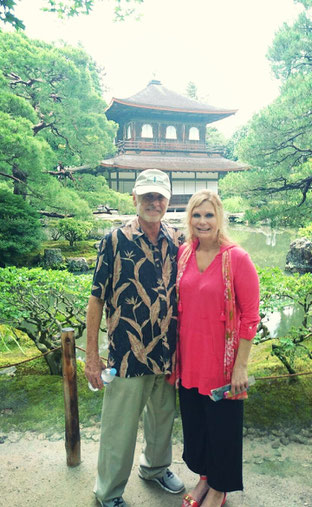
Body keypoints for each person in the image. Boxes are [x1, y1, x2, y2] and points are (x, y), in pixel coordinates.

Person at [85, 169, 185, 507]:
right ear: (134, 199)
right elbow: (96, 297)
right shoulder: (115, 240)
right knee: (120, 427)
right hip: (127, 351)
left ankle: (155, 468)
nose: (153, 202)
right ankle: (108, 492)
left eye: (159, 197)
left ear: (168, 201)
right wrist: (92, 357)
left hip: (167, 349)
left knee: (162, 416)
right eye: (147, 196)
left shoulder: (177, 239)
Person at [177, 190, 260, 507]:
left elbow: (251, 316)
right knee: (197, 426)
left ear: (220, 217)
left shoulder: (236, 258)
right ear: (189, 219)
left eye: (209, 215)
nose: (202, 221)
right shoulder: (184, 254)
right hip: (190, 358)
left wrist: (241, 366)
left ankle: (219, 488)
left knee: (222, 428)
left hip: (222, 364)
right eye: (196, 215)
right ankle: (203, 479)